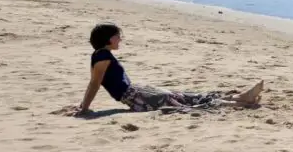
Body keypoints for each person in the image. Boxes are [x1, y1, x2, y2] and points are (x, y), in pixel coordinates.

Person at [72, 23, 263, 115]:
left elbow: (96, 83)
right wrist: (85, 108)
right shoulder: (102, 57)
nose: (120, 39)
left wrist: (83, 107)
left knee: (184, 96)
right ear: (108, 39)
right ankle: (239, 102)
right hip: (135, 97)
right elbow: (95, 83)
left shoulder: (101, 55)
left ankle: (239, 97)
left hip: (137, 91)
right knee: (181, 104)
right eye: (117, 36)